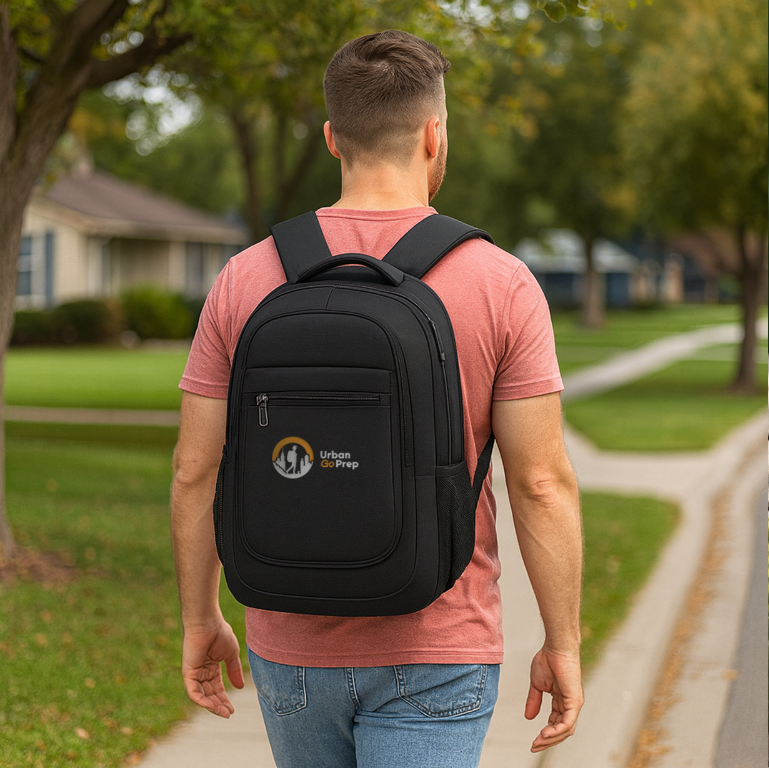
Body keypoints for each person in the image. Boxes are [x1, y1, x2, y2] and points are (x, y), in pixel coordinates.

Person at [171, 29, 583, 768]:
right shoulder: (500, 282)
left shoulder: (246, 276)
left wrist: (199, 617)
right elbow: (540, 482)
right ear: (434, 134)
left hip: (289, 646)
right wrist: (563, 642)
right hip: (440, 646)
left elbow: (196, 470)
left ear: (332, 137)